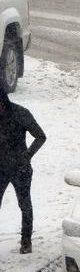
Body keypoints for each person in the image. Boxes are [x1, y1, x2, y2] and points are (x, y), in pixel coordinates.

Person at [0, 87, 46, 254]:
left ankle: (26, 241)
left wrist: (27, 155)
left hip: (20, 168)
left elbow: (40, 136)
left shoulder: (20, 113)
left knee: (24, 204)